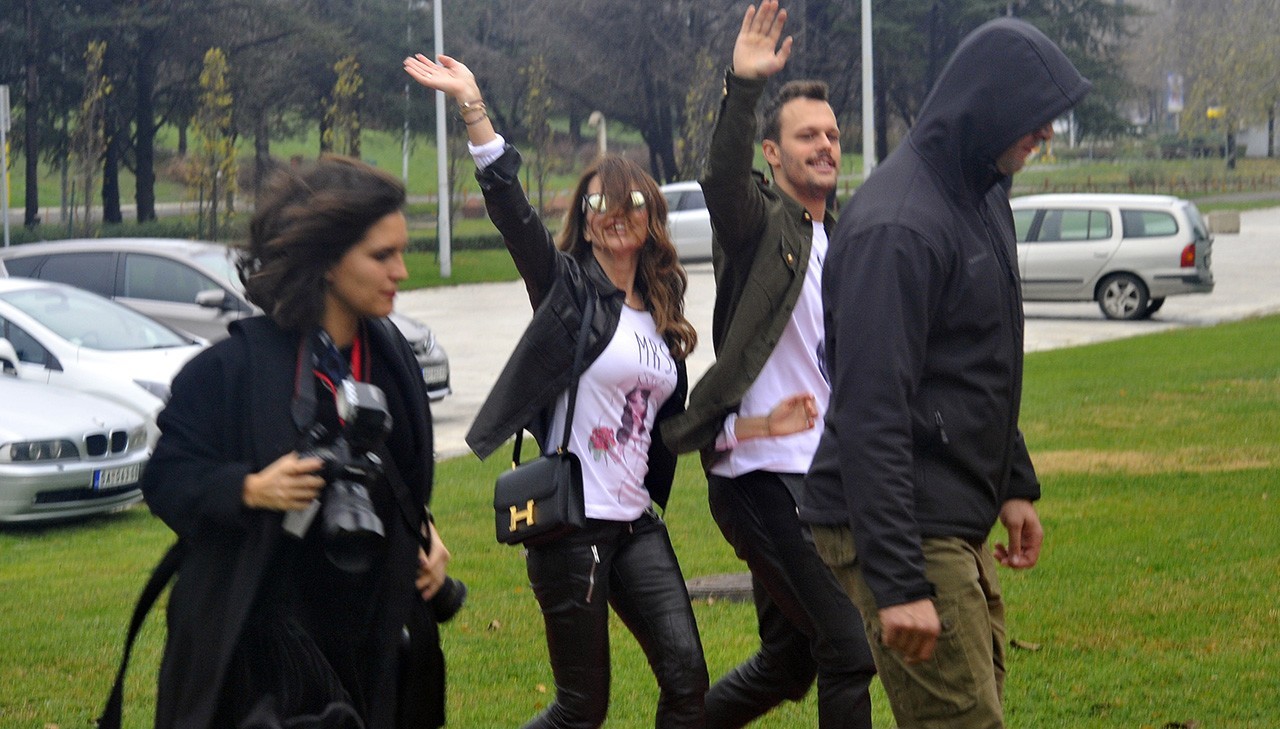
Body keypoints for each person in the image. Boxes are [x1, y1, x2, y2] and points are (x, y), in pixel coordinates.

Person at [800, 17, 1091, 729]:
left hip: (949, 511)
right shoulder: (899, 226)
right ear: (987, 105)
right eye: (1035, 115)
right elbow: (871, 410)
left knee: (977, 701)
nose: (1046, 132)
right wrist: (899, 582)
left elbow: (979, 360)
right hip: (901, 521)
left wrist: (1014, 482)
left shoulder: (982, 192)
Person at [405, 53, 708, 728]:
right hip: (572, 527)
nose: (614, 214)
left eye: (630, 202)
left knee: (688, 679)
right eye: (597, 203)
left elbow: (668, 419)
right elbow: (513, 214)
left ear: (651, 214)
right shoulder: (566, 288)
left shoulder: (661, 310)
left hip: (637, 524)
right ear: (585, 216)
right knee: (581, 708)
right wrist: (474, 109)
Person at [141, 156, 453, 728]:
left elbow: (403, 477)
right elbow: (166, 479)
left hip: (374, 642)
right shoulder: (229, 370)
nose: (402, 271)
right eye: (382, 256)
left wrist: (423, 535)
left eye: (401, 252)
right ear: (327, 260)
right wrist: (249, 488)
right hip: (260, 658)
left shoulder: (393, 361)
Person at [660, 2, 876, 727]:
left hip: (821, 475)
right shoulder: (759, 226)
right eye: (807, 135)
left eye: (833, 135)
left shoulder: (838, 239)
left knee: (790, 661)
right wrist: (743, 85)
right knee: (849, 646)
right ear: (774, 154)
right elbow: (722, 179)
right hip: (760, 477)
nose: (825, 146)